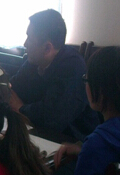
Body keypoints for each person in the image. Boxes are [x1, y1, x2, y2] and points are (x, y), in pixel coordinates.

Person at [53, 47, 120, 175]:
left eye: (86, 79)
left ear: (101, 89)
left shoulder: (98, 143)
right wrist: (83, 149)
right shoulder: (102, 142)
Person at [9, 9, 99, 142]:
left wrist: (21, 108)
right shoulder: (34, 61)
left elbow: (53, 118)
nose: (25, 44)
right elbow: (11, 89)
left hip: (73, 143)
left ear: (47, 48)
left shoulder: (73, 67)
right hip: (40, 135)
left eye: (29, 38)